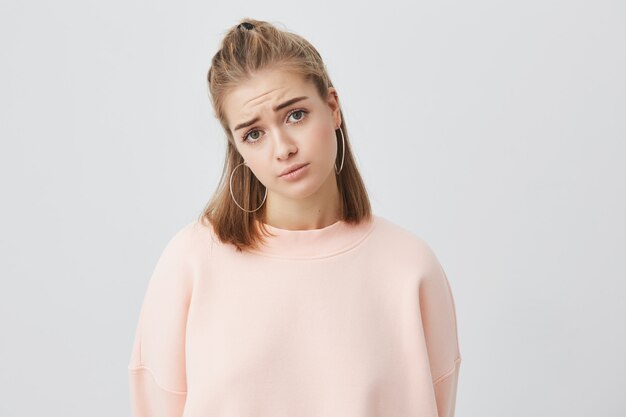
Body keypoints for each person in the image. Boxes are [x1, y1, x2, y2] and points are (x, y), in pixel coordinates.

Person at [127, 17, 462, 417]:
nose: (282, 148)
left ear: (332, 108)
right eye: (254, 133)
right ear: (238, 147)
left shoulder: (410, 267)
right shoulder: (191, 262)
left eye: (295, 115)